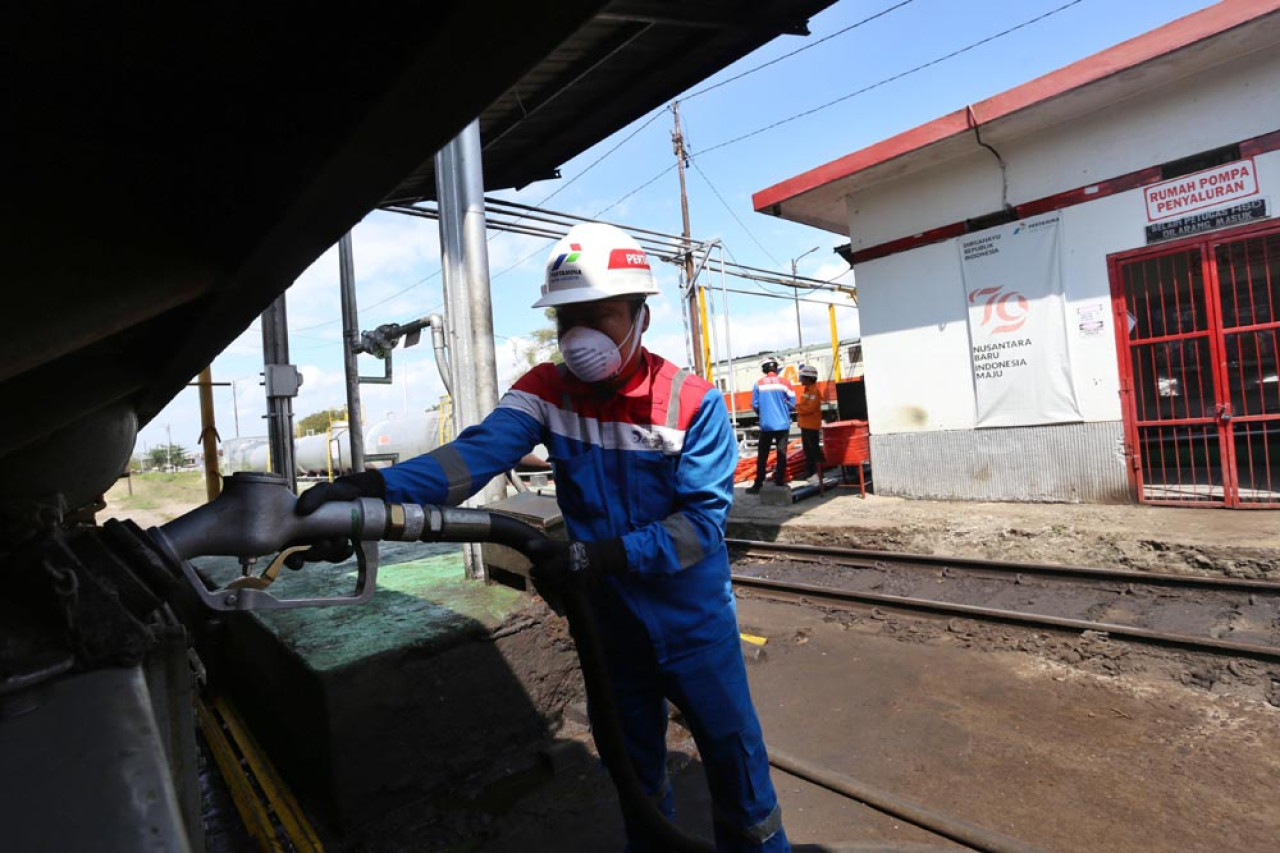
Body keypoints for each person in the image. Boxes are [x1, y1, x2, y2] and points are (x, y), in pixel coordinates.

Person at [293, 222, 789, 852]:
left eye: (597, 315)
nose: (578, 336)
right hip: (609, 626)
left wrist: (598, 555)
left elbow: (699, 530)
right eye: (566, 317)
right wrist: (372, 492)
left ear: (640, 315)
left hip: (693, 628)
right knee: (634, 774)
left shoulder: (691, 403)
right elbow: (468, 460)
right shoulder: (545, 392)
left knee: (737, 765)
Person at [746, 357, 794, 494]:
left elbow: (755, 405)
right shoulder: (786, 383)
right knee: (782, 454)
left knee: (762, 455)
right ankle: (779, 481)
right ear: (776, 368)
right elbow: (792, 404)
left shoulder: (758, 384)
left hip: (766, 425)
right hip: (783, 425)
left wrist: (764, 412)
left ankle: (758, 484)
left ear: (764, 369)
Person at [795, 364, 825, 479]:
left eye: (802, 377)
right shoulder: (807, 391)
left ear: (809, 378)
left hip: (811, 426)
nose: (801, 379)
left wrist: (796, 408)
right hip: (805, 425)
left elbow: (810, 408)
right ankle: (811, 471)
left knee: (814, 449)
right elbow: (805, 406)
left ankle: (818, 472)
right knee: (808, 450)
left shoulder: (814, 392)